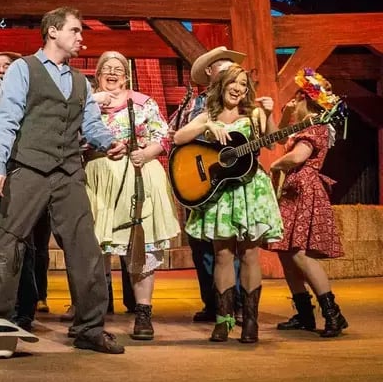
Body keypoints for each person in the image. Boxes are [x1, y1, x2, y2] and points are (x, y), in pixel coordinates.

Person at [0, 6, 128, 355]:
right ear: (53, 31)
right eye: (75, 30)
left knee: (85, 248)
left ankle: (89, 327)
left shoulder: (79, 81)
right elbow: (8, 117)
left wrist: (109, 143)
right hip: (29, 165)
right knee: (8, 241)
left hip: (68, 171)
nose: (80, 37)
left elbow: (90, 125)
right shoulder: (22, 69)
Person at [173, 64, 283, 343]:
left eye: (243, 84)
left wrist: (269, 115)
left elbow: (271, 143)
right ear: (222, 84)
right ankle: (223, 319)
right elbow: (177, 138)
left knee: (248, 254)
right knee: (222, 254)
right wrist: (207, 125)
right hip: (220, 192)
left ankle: (250, 321)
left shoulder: (254, 114)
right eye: (234, 82)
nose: (238, 88)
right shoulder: (207, 114)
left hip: (249, 190)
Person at [85, 51, 180, 341]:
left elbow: (163, 135)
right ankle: (94, 312)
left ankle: (143, 312)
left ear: (126, 76)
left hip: (137, 175)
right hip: (99, 178)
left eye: (118, 69)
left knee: (142, 245)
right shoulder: (87, 104)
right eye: (106, 69)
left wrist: (145, 152)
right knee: (95, 247)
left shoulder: (142, 103)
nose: (112, 73)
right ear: (98, 75)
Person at [0, 51, 50, 330]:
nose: (2, 69)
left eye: (8, 65)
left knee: (22, 244)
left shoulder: (29, 100)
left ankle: (24, 308)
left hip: (20, 176)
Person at [267, 69, 348, 337]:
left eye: (296, 96)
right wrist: (283, 113)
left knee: (300, 252)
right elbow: (278, 137)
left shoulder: (317, 125)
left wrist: (277, 165)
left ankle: (333, 313)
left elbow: (298, 156)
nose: (293, 99)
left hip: (304, 188)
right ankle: (304, 314)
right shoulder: (303, 124)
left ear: (304, 97)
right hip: (294, 188)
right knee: (286, 251)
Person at [168, 46, 245, 323]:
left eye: (231, 70)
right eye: (222, 69)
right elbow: (175, 137)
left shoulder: (245, 107)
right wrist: (204, 128)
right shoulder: (195, 105)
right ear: (210, 73)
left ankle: (235, 303)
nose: (228, 75)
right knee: (201, 245)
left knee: (231, 244)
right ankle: (213, 304)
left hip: (232, 183)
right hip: (200, 181)